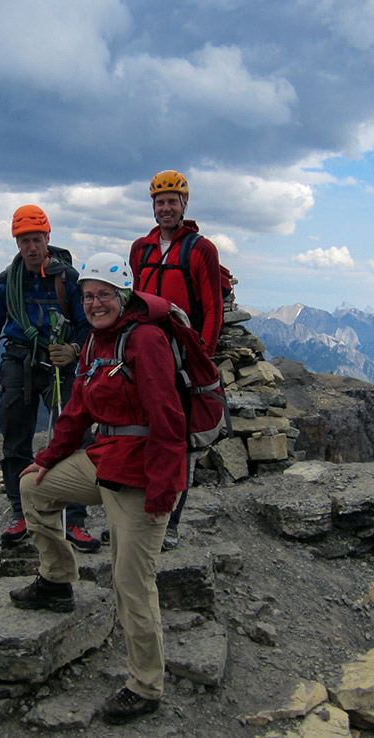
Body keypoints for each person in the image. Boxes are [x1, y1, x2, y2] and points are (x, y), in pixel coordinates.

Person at [8, 252, 186, 725]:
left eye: (104, 295)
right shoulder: (94, 345)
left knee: (131, 582)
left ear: (123, 296)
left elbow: (169, 419)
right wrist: (46, 460)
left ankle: (145, 686)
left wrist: (164, 489)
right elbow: (79, 413)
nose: (95, 303)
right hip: (105, 460)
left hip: (141, 476)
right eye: (88, 296)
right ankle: (57, 580)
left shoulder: (143, 340)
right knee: (34, 488)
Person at [0, 205, 100, 553]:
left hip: (60, 364)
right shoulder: (5, 283)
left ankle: (76, 519)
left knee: (75, 435)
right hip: (19, 360)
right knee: (15, 440)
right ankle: (21, 514)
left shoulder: (68, 279)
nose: (31, 247)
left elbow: (88, 325)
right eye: (24, 241)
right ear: (17, 242)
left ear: (47, 238)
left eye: (36, 239)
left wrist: (73, 349)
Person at [128, 169, 224, 550]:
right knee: (137, 431)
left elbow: (212, 309)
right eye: (160, 201)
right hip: (141, 352)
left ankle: (169, 522)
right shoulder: (141, 248)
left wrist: (203, 358)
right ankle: (133, 515)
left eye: (172, 201)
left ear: (184, 204)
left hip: (181, 358)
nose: (166, 207)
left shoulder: (202, 249)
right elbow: (132, 296)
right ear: (152, 206)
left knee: (177, 440)